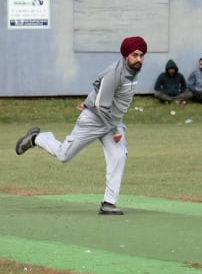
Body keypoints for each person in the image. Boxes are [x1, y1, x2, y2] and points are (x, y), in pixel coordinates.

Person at [14, 36, 148, 215]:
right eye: (135, 55)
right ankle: (37, 138)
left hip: (111, 121)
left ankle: (108, 203)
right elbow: (102, 104)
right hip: (94, 120)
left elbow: (97, 84)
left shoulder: (131, 71)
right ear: (126, 55)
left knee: (118, 155)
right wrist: (112, 126)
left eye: (141, 55)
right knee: (64, 156)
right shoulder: (116, 73)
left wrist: (89, 100)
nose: (139, 59)